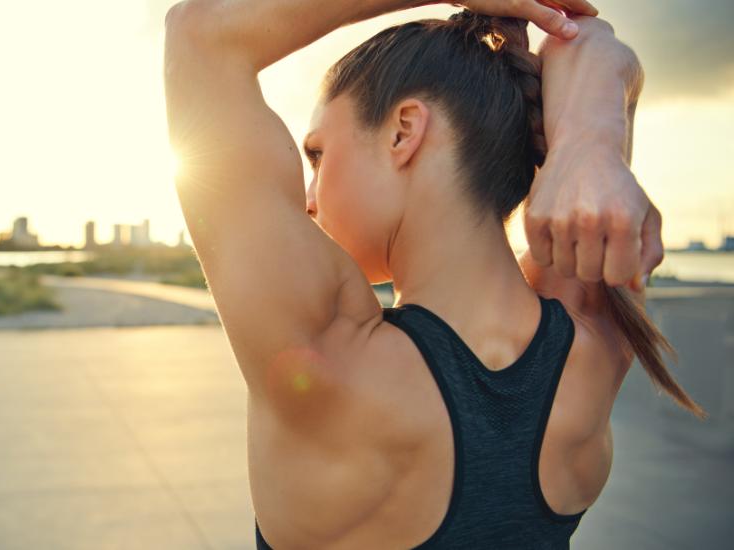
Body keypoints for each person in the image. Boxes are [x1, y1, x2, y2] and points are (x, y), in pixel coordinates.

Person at [163, 0, 707, 548]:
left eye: (318, 154)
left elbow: (201, 32)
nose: (308, 198)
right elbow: (591, 40)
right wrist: (590, 142)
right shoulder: (593, 341)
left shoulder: (329, 356)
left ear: (403, 131)